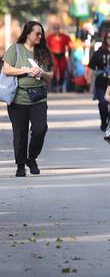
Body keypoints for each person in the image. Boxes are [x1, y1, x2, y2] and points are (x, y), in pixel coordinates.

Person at [3, 21, 53, 177]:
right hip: (18, 98)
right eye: (37, 33)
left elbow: (50, 75)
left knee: (40, 129)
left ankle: (31, 158)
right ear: (27, 33)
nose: (40, 36)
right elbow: (6, 69)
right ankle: (20, 165)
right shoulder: (15, 49)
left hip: (38, 97)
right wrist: (24, 71)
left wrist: (41, 73)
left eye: (41, 34)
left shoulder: (44, 52)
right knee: (20, 133)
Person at [46, 23, 72, 93]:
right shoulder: (50, 37)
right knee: (54, 69)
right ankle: (54, 85)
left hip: (62, 54)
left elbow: (69, 45)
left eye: (58, 28)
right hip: (53, 55)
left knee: (62, 69)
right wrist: (48, 55)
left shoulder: (64, 36)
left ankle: (60, 84)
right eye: (55, 29)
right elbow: (46, 47)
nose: (56, 30)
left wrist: (69, 55)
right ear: (53, 29)